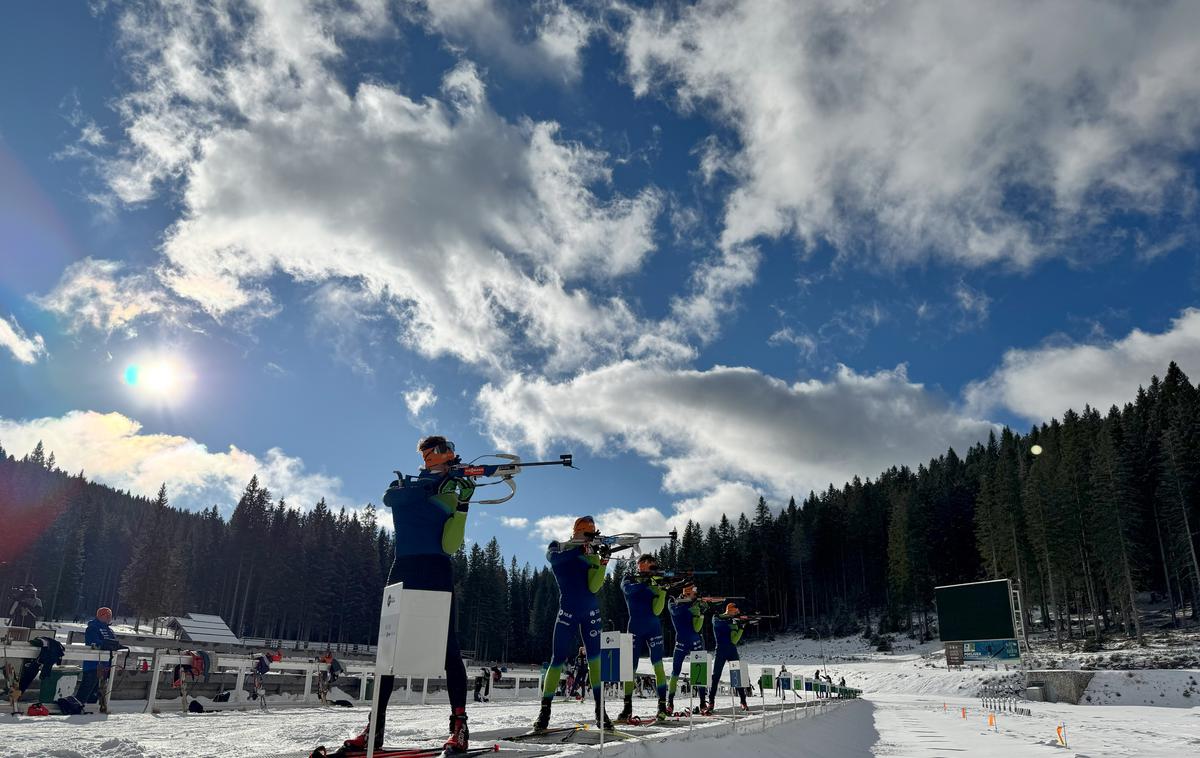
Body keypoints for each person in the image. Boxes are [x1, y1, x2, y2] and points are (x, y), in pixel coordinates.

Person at [345, 436, 474, 753]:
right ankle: (374, 729)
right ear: (430, 457)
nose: (450, 456)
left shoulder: (450, 493)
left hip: (437, 568)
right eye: (444, 452)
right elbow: (391, 499)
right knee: (388, 652)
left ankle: (460, 726)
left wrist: (463, 504)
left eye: (451, 452)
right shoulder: (406, 486)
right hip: (404, 567)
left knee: (449, 650)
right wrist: (439, 486)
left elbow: (450, 545)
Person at [533, 516, 613, 732]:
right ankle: (545, 710)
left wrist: (603, 562)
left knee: (596, 662)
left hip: (590, 612)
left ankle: (600, 711)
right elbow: (556, 560)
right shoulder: (558, 547)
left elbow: (594, 586)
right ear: (577, 531)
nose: (590, 537)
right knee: (557, 659)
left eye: (592, 533)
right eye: (587, 533)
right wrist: (582, 549)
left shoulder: (592, 555)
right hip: (567, 610)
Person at [618, 553, 669, 722]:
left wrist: (661, 590)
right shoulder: (629, 578)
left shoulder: (655, 582)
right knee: (629, 669)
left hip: (653, 627)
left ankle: (662, 706)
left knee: (658, 666)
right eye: (649, 566)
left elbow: (657, 610)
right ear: (640, 566)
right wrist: (646, 583)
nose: (652, 569)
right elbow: (628, 590)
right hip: (634, 628)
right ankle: (627, 708)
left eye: (653, 566)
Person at [666, 583, 708, 714]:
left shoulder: (694, 605)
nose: (696, 596)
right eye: (694, 594)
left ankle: (702, 702)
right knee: (675, 672)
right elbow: (675, 611)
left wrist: (700, 613)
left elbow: (697, 628)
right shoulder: (673, 602)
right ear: (687, 594)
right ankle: (670, 702)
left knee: (700, 672)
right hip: (681, 641)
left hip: (696, 640)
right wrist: (692, 606)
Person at [706, 603, 748, 714]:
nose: (736, 614)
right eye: (735, 612)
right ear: (729, 611)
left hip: (731, 650)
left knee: (737, 676)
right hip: (721, 649)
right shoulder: (717, 618)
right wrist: (733, 622)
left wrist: (741, 627)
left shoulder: (732, 622)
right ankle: (711, 702)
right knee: (716, 676)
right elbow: (718, 624)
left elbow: (734, 640)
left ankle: (743, 702)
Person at [76, 607, 120, 704]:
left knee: (97, 690)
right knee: (87, 687)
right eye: (106, 616)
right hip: (93, 664)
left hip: (105, 664)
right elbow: (93, 642)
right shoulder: (93, 628)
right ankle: (77, 706)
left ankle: (91, 708)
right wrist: (107, 644)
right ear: (100, 616)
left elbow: (113, 642)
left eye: (110, 616)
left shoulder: (109, 630)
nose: (109, 618)